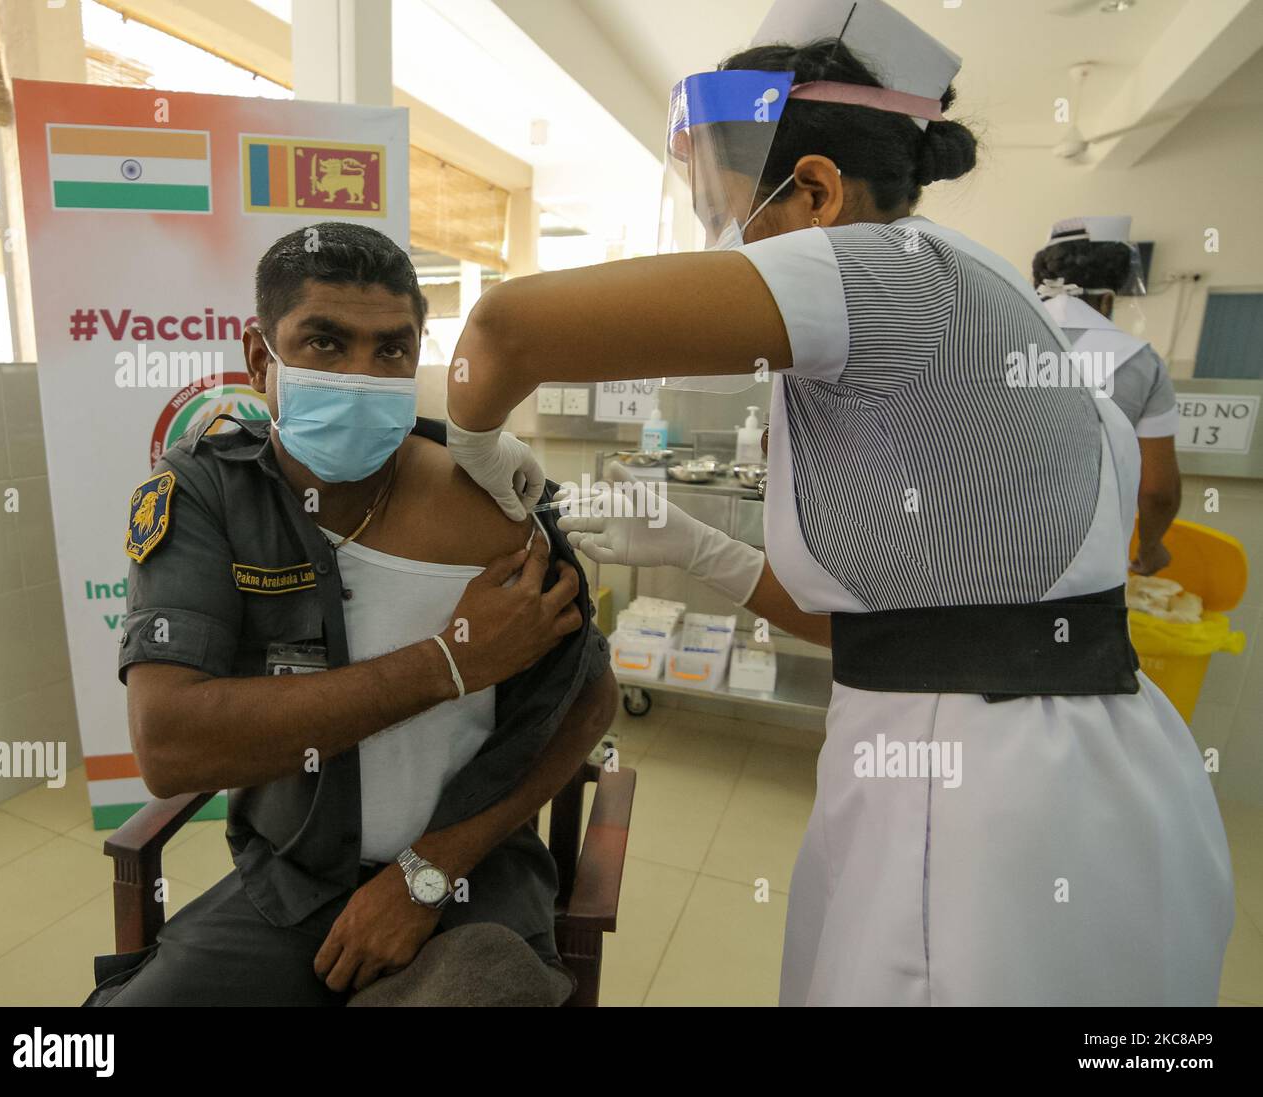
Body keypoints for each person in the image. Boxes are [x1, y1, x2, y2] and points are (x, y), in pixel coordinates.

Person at [439, 0, 1233, 1006]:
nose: (715, 247)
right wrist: (690, 544)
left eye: (723, 216)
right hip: (1044, 758)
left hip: (984, 798)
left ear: (813, 190)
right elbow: (883, 629)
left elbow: (505, 329)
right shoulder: (973, 294)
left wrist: (472, 435)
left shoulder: (887, 268)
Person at [86, 223, 615, 1006]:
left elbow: (588, 700)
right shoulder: (208, 497)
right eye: (326, 344)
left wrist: (429, 869)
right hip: (292, 885)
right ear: (261, 356)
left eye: (392, 350)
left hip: (470, 880)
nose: (362, 375)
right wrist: (448, 664)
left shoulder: (489, 509)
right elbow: (168, 742)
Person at [1034, 216, 1182, 575]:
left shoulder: (984, 339)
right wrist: (1150, 547)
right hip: (1083, 563)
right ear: (1108, 299)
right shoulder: (1141, 363)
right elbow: (1156, 491)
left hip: (965, 557)